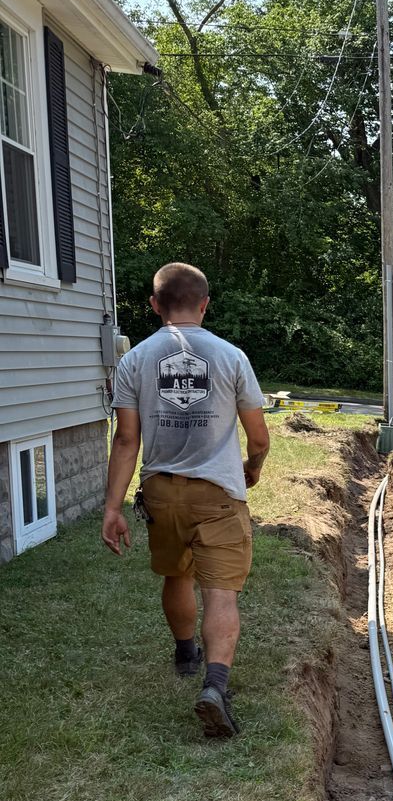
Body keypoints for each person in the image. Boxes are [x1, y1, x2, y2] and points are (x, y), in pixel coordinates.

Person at [101, 262, 270, 740]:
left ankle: (184, 653)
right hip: (217, 494)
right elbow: (258, 435)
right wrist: (253, 467)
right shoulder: (231, 356)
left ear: (155, 306)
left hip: (161, 493)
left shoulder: (134, 361)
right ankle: (215, 686)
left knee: (177, 571)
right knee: (220, 591)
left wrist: (112, 509)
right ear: (204, 304)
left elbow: (126, 440)